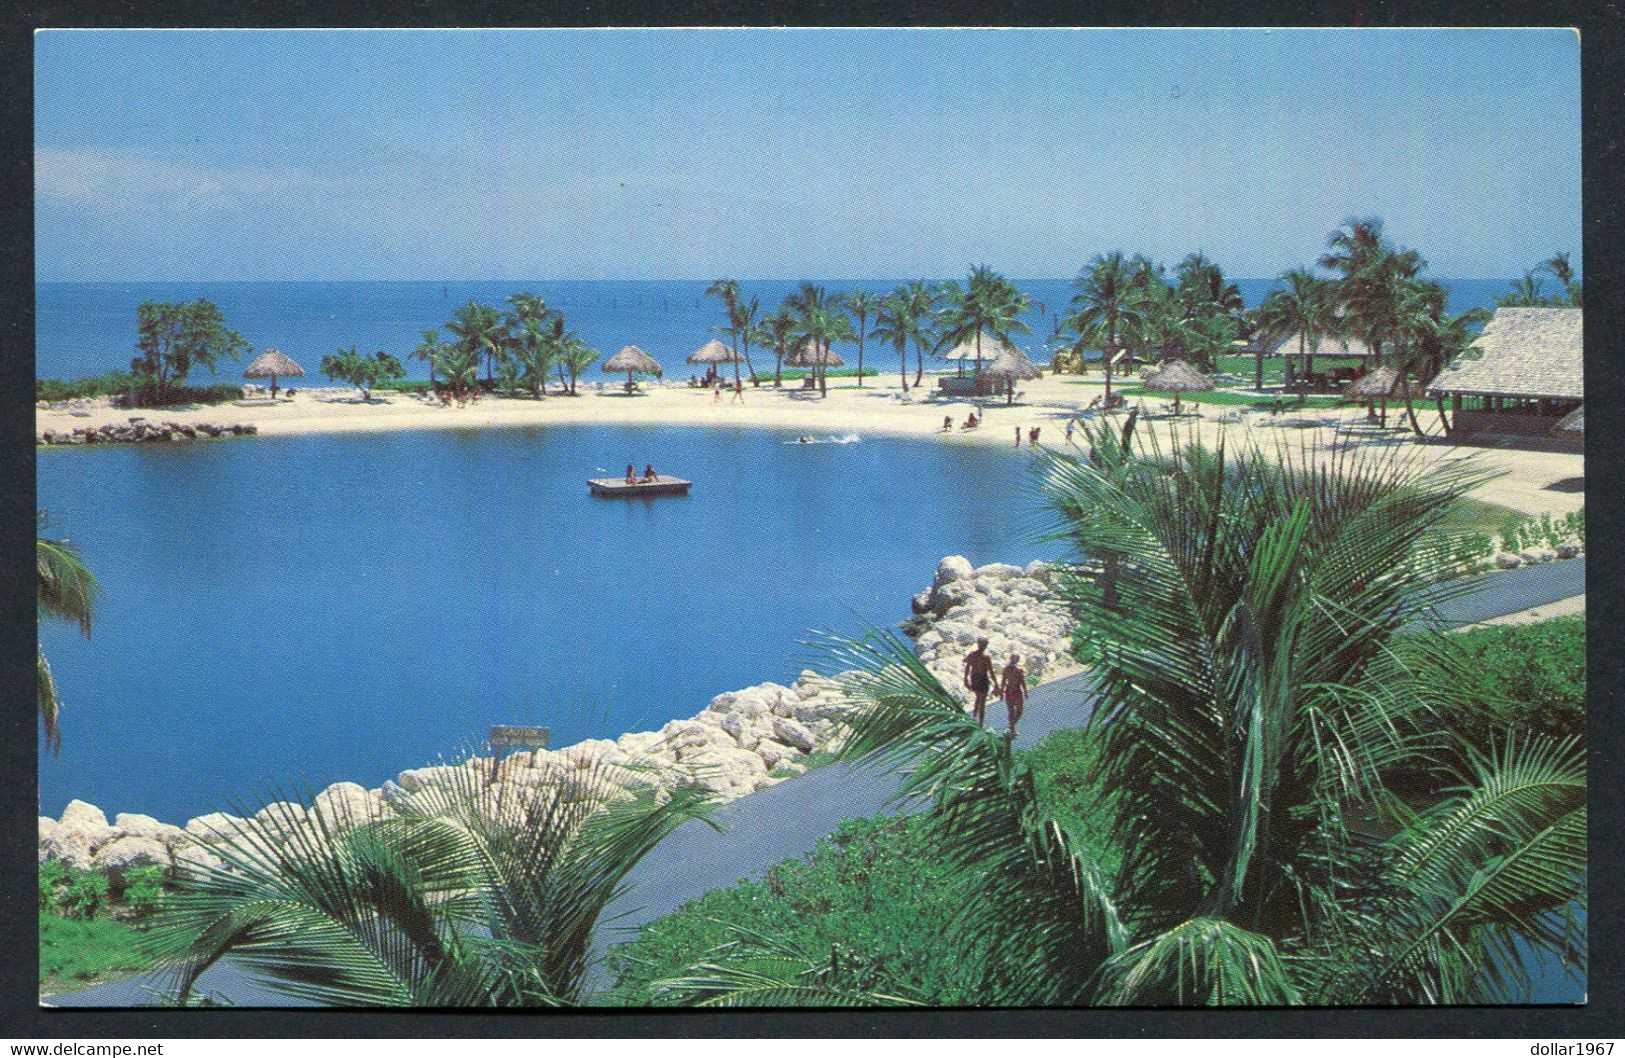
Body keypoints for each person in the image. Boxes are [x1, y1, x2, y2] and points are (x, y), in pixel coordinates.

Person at [963, 638, 995, 726]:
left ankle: (974, 717)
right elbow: (990, 671)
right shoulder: (985, 657)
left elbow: (968, 667)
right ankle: (980, 723)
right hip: (981, 679)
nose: (984, 646)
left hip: (975, 678)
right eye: (984, 644)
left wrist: (965, 679)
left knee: (978, 698)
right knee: (982, 701)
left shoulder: (973, 655)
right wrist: (996, 683)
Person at [997, 654, 1028, 739]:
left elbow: (1003, 682)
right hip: (1016, 692)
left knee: (1011, 711)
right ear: (1017, 660)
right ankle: (1012, 727)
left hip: (1008, 692)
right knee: (1019, 711)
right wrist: (1025, 691)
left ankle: (1012, 728)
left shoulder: (1005, 669)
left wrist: (1001, 693)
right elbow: (1022, 681)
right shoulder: (1019, 670)